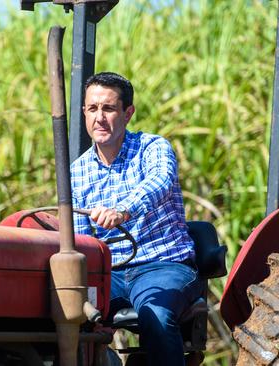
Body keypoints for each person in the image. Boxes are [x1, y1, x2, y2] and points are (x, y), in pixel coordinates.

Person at [70, 72, 203, 365]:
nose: (99, 118)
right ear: (83, 113)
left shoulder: (152, 148)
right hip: (111, 274)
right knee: (65, 312)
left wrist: (122, 211)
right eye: (92, 109)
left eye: (109, 109)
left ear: (128, 113)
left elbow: (160, 181)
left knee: (155, 312)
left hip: (163, 265)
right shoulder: (76, 173)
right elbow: (83, 243)